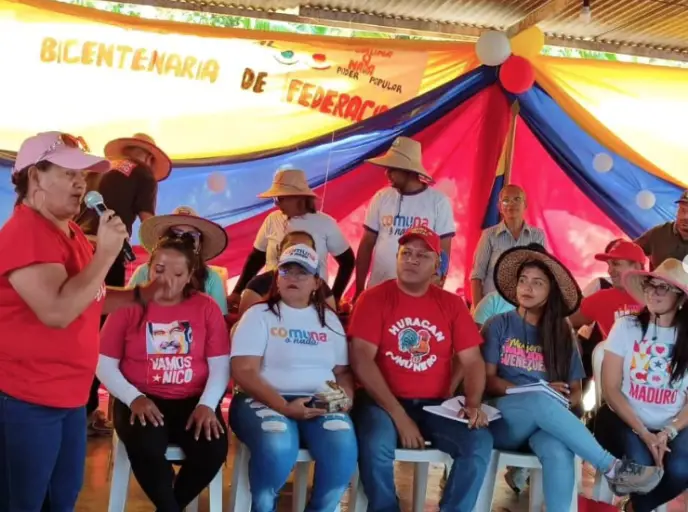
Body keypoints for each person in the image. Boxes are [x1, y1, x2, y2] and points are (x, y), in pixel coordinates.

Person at [0, 132, 167, 512]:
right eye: (70, 173)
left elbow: (88, 295)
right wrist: (105, 254)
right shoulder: (24, 233)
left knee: (60, 501)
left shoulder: (71, 230)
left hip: (69, 397)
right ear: (35, 177)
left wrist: (145, 294)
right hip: (26, 399)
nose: (82, 183)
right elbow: (58, 311)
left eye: (84, 175)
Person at [481, 244, 662, 512]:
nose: (527, 288)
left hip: (546, 424)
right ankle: (612, 468)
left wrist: (560, 398)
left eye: (537, 283)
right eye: (523, 281)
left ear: (550, 292)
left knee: (558, 450)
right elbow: (488, 381)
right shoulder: (499, 324)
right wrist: (537, 390)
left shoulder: (561, 333)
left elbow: (576, 392)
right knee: (538, 399)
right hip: (504, 421)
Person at [349, 226, 493, 512]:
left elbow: (473, 361)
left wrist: (474, 404)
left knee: (478, 441)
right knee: (376, 442)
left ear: (437, 266)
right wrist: (399, 415)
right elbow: (361, 359)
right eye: (406, 253)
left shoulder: (452, 304)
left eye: (422, 255)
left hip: (435, 406)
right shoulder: (374, 298)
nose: (412, 260)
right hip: (381, 402)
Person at [97, 235, 230, 511]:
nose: (166, 280)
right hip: (140, 397)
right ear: (148, 268)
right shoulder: (128, 304)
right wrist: (134, 398)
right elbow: (103, 363)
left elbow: (220, 364)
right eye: (159, 270)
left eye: (177, 273)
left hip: (193, 400)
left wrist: (207, 404)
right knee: (146, 447)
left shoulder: (206, 307)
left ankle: (169, 507)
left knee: (213, 449)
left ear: (190, 275)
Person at [230, 244, 357, 512]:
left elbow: (343, 372)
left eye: (303, 272)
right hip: (262, 398)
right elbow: (243, 370)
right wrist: (284, 406)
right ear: (277, 277)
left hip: (319, 400)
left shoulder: (329, 320)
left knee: (342, 445)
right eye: (287, 270)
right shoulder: (258, 315)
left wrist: (342, 400)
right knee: (277, 443)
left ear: (316, 282)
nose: (293, 278)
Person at [78, 132, 172, 435]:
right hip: (107, 250)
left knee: (73, 322)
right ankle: (87, 410)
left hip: (75, 246)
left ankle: (70, 405)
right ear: (148, 157)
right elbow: (147, 221)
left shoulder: (99, 168)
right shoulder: (143, 174)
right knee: (97, 328)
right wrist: (167, 252)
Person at [596, 258, 688, 512]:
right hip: (623, 420)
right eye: (650, 285)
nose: (653, 292)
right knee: (642, 465)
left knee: (681, 469)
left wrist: (667, 432)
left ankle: (636, 507)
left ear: (680, 298)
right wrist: (645, 433)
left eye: (663, 288)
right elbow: (611, 388)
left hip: (674, 425)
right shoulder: (627, 326)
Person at [229, 168, 354, 308]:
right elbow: (256, 258)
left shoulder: (326, 223)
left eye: (280, 199)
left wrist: (333, 297)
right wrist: (237, 291)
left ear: (298, 197)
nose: (276, 203)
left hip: (311, 302)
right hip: (271, 299)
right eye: (275, 199)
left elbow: (347, 262)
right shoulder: (272, 220)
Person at [355, 136, 455, 297]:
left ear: (408, 171)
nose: (387, 173)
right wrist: (359, 289)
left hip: (418, 293)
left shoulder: (438, 202)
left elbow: (443, 251)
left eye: (393, 168)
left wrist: (437, 285)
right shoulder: (381, 197)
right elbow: (366, 245)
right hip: (378, 290)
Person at [130, 206, 229, 314]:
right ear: (164, 239)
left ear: (199, 245)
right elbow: (126, 312)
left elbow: (219, 322)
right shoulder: (144, 272)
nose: (182, 240)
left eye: (191, 236)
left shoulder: (212, 278)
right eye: (176, 234)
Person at [470, 184, 546, 306]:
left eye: (517, 199)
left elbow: (541, 275)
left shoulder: (537, 236)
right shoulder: (489, 235)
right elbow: (477, 275)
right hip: (492, 307)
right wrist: (477, 309)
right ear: (499, 207)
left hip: (524, 307)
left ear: (525, 204)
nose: (511, 204)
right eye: (505, 201)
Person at [237, 230, 336, 315]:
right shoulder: (258, 285)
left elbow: (330, 324)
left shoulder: (322, 288)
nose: (297, 251)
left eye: (304, 249)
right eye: (292, 247)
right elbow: (244, 326)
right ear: (279, 251)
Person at [635, 190, 688, 270]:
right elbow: (629, 253)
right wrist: (640, 276)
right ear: (677, 210)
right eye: (682, 210)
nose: (686, 217)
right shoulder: (658, 233)